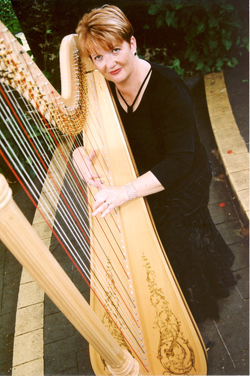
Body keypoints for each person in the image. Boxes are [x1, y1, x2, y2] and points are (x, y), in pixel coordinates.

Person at [73, 4, 236, 322]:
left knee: (174, 235)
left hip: (184, 176)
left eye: (115, 50)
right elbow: (93, 137)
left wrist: (125, 191)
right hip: (147, 174)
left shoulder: (167, 85)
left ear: (132, 44)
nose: (109, 64)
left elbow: (179, 159)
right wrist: (81, 154)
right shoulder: (102, 90)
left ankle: (194, 305)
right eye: (98, 57)